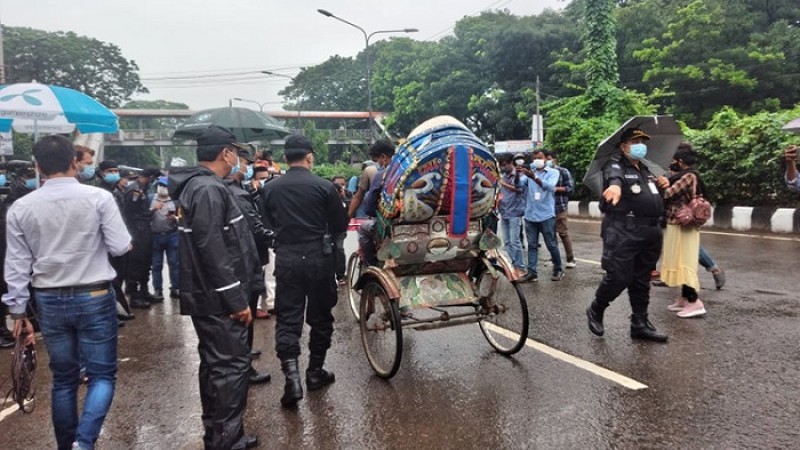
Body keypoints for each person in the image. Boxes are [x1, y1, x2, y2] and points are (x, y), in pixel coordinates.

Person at [3, 135, 131, 450]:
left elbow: (17, 264)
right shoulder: (99, 198)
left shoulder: (21, 207)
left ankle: (67, 446)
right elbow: (120, 246)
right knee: (101, 376)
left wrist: (17, 311)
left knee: (63, 379)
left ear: (37, 166)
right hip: (94, 294)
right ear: (74, 162)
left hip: (48, 298)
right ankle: (83, 444)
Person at [169, 126, 259, 450]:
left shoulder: (203, 186)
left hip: (211, 295)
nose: (238, 159)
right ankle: (226, 439)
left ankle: (218, 434)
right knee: (230, 369)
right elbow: (213, 249)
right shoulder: (207, 189)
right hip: (218, 299)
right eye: (236, 152)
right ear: (226, 153)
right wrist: (236, 299)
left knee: (216, 366)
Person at [261, 134, 348, 408]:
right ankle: (314, 372)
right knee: (321, 318)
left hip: (287, 260)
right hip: (319, 259)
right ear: (309, 157)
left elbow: (266, 224)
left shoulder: (270, 188)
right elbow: (340, 225)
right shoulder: (324, 187)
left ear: (285, 158)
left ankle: (292, 378)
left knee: (288, 319)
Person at [586, 127, 669, 342]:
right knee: (619, 276)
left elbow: (650, 197)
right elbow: (615, 179)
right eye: (635, 142)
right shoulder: (615, 166)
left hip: (650, 231)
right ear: (624, 147)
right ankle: (596, 308)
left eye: (642, 142)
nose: (640, 146)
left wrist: (662, 185)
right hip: (624, 231)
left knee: (641, 279)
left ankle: (640, 323)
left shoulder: (647, 170)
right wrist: (615, 187)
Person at [224, 146, 273, 385]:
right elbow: (254, 229)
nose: (246, 167)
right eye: (244, 163)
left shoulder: (234, 189)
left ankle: (241, 357)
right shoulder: (234, 193)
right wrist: (276, 238)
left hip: (238, 261)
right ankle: (243, 368)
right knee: (245, 316)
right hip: (244, 261)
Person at [660, 144, 708, 318]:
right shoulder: (682, 175)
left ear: (680, 161)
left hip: (683, 224)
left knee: (685, 261)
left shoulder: (688, 176)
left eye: (673, 161)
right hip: (676, 223)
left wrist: (661, 183)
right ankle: (684, 298)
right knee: (678, 260)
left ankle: (694, 302)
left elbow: (668, 194)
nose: (671, 163)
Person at [518, 149, 564, 282]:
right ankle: (532, 272)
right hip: (530, 215)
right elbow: (519, 185)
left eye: (540, 157)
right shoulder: (530, 172)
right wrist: (518, 174)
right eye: (535, 158)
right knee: (532, 246)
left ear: (545, 159)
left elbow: (550, 187)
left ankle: (558, 269)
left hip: (546, 215)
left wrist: (534, 178)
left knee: (551, 244)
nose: (537, 160)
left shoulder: (553, 172)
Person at [98, 160, 134, 319]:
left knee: (119, 276)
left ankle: (119, 309)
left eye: (115, 170)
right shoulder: (100, 192)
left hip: (120, 239)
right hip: (108, 243)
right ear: (102, 173)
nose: (114, 174)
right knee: (113, 278)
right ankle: (117, 310)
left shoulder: (116, 190)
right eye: (110, 171)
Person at [123, 167, 161, 308]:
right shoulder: (134, 190)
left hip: (144, 231)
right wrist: (153, 209)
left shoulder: (142, 189)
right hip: (136, 232)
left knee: (146, 263)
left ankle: (144, 291)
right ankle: (134, 295)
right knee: (136, 264)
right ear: (151, 177)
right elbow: (132, 214)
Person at [356, 140, 395, 267]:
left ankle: (372, 265)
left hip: (391, 225)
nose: (378, 164)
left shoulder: (382, 175)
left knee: (363, 229)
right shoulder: (411, 170)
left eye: (377, 160)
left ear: (383, 157)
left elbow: (369, 208)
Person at [150, 176, 179, 301]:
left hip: (172, 235)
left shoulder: (175, 201)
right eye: (161, 185)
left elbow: (182, 217)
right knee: (156, 265)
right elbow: (144, 215)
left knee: (174, 263)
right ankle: (158, 290)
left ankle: (175, 288)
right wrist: (153, 209)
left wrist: (175, 218)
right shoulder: (150, 199)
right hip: (155, 236)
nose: (163, 188)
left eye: (166, 186)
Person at [497, 153, 527, 277]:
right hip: (504, 212)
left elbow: (520, 189)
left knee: (515, 241)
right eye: (501, 165)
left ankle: (521, 267)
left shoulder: (520, 176)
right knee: (507, 242)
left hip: (515, 212)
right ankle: (515, 265)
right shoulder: (503, 176)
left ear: (511, 163)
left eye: (505, 165)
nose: (503, 167)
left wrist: (503, 184)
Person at [546, 150, 577, 268]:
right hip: (547, 208)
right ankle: (554, 258)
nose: (547, 161)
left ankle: (570, 259)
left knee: (563, 233)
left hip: (560, 206)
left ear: (555, 160)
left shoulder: (563, 171)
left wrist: (556, 189)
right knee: (550, 235)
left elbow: (570, 188)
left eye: (549, 159)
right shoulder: (543, 173)